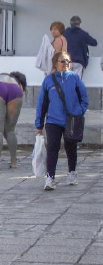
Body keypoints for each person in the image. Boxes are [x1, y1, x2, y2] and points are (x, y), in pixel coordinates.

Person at [35, 51, 88, 190]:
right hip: (53, 121)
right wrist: (39, 124)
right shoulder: (48, 80)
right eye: (63, 61)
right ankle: (50, 177)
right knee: (52, 148)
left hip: (71, 120)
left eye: (68, 61)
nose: (66, 64)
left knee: (71, 147)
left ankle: (72, 172)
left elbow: (84, 98)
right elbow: (42, 103)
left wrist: (79, 111)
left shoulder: (75, 78)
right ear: (55, 63)